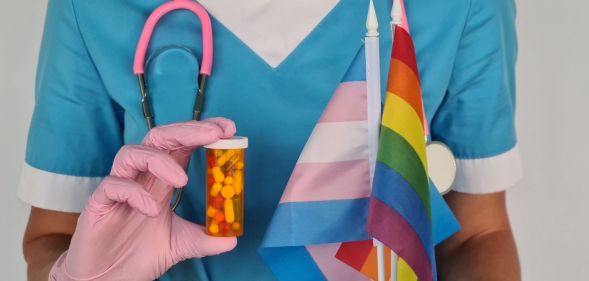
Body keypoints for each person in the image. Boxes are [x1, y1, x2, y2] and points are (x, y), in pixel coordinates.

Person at [19, 0, 522, 280]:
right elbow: (50, 237)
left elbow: (477, 234)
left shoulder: (458, 8)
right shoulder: (90, 8)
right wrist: (79, 278)